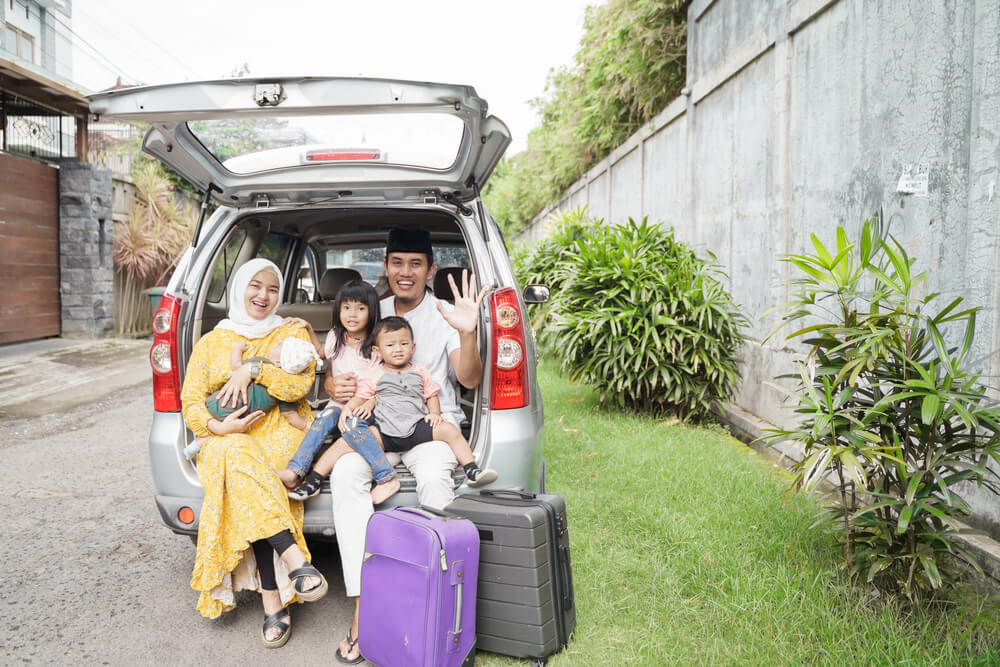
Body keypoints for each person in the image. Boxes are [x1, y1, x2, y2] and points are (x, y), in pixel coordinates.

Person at [329, 228, 489, 664]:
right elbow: (341, 366)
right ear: (385, 266)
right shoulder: (368, 313)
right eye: (397, 262)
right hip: (378, 429)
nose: (405, 272)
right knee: (344, 476)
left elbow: (471, 379)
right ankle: (364, 613)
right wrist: (336, 385)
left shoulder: (445, 314)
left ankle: (433, 613)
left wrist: (469, 331)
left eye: (416, 263)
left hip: (428, 428)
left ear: (430, 269)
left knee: (437, 478)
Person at [180, 257, 328, 648]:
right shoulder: (213, 340)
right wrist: (218, 427)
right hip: (223, 435)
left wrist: (253, 370)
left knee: (246, 468)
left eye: (273, 288)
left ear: (282, 293)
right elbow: (191, 401)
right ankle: (297, 564)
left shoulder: (291, 330)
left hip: (279, 431)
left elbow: (299, 387)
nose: (264, 295)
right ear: (239, 287)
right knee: (240, 455)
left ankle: (273, 603)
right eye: (255, 286)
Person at [336, 316, 498, 496]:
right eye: (390, 345)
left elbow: (431, 395)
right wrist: (347, 408)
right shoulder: (375, 373)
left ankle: (472, 469)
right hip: (385, 431)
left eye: (404, 344)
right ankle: (315, 476)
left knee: (450, 430)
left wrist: (434, 413)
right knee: (349, 441)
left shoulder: (419, 370)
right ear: (377, 351)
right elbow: (362, 396)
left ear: (413, 347)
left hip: (416, 425)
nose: (398, 349)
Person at [277, 280, 398, 503]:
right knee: (321, 421)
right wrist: (308, 328)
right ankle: (295, 471)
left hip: (366, 405)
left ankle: (384, 475)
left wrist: (368, 403)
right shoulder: (336, 336)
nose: (352, 314)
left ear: (372, 312)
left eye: (361, 308)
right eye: (346, 307)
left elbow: (382, 380)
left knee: (353, 425)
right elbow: (321, 352)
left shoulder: (376, 345)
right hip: (338, 404)